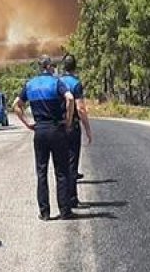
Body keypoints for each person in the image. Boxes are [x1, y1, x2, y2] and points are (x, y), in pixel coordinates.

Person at [13, 56, 75, 220]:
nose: (54, 68)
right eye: (52, 66)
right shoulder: (56, 83)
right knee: (61, 171)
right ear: (47, 67)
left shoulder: (30, 84)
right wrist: (68, 121)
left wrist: (27, 123)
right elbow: (70, 98)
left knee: (41, 172)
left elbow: (16, 105)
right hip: (56, 129)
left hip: (39, 131)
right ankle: (64, 210)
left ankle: (45, 212)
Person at [59, 54, 93, 207]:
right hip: (72, 126)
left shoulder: (57, 82)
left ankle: (63, 199)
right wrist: (87, 129)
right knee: (72, 162)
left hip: (58, 126)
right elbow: (80, 108)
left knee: (61, 164)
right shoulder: (76, 84)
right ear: (75, 67)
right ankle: (72, 198)